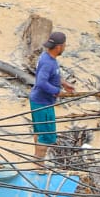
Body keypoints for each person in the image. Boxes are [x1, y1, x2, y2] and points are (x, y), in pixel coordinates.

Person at [29, 30, 75, 162]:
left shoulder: (47, 56)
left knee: (39, 133)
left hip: (38, 100)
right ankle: (39, 166)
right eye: (65, 45)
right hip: (43, 104)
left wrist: (64, 83)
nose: (65, 47)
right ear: (59, 47)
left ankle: (36, 161)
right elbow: (41, 82)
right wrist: (56, 91)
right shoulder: (49, 63)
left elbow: (51, 76)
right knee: (47, 137)